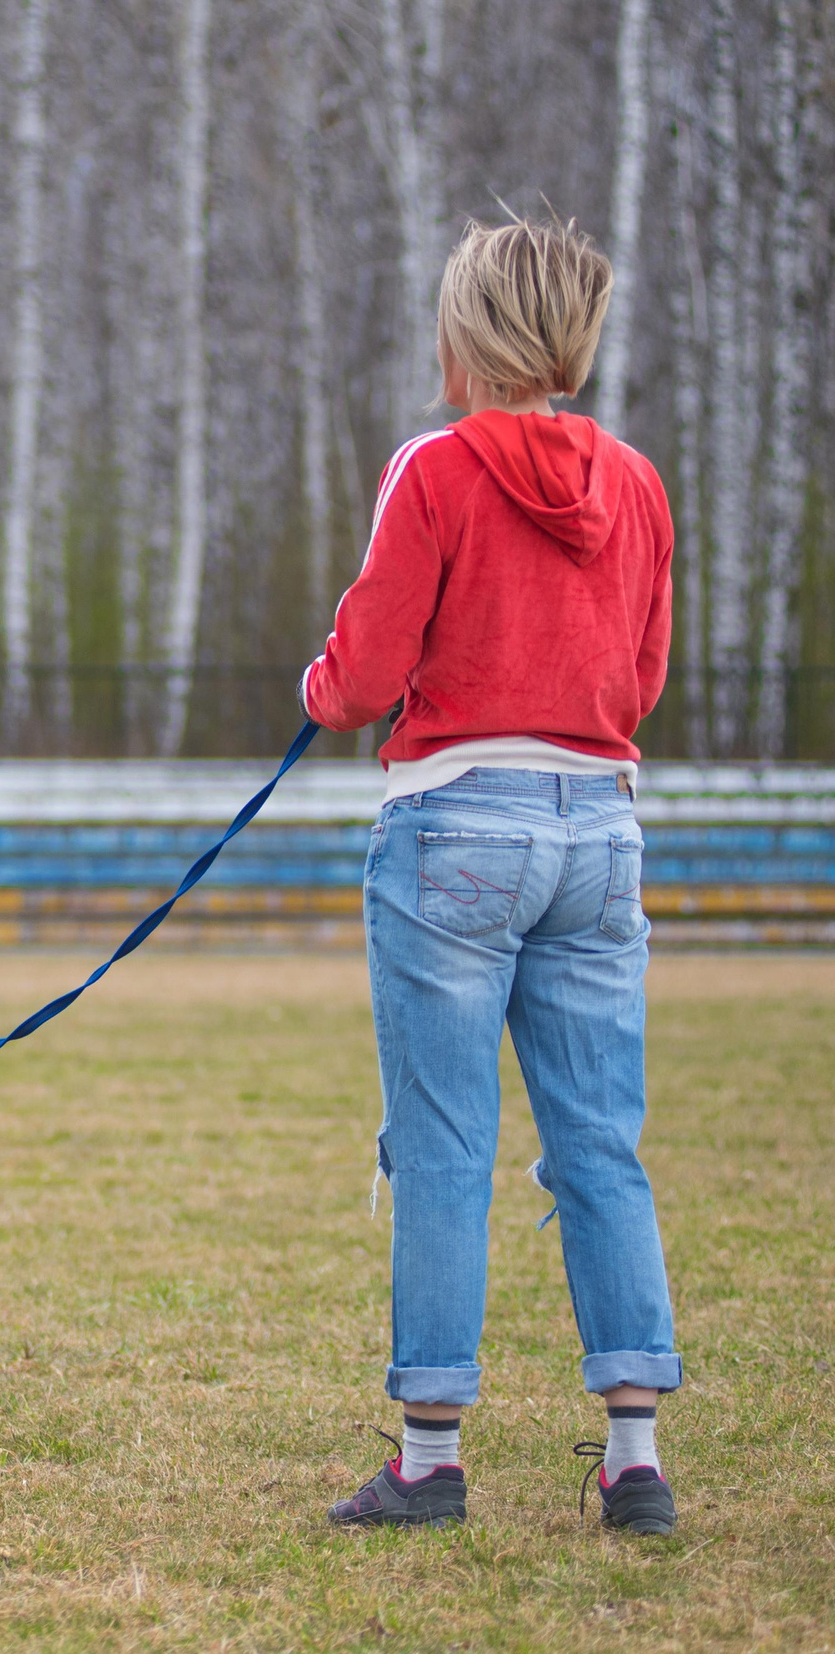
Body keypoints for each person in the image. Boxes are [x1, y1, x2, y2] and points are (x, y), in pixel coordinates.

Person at [303, 217, 681, 1534]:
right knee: (598, 1141)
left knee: (447, 1144)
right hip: (600, 825)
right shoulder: (635, 481)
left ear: (472, 333)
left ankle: (428, 1454)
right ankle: (632, 1451)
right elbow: (638, 680)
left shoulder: (434, 469)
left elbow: (356, 677)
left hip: (454, 822)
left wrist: (322, 683)